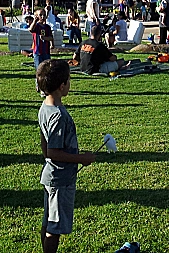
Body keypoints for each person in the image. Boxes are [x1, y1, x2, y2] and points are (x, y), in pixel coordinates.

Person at [36, 59, 95, 253]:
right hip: (59, 180)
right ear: (62, 86)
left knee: (48, 221)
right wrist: (82, 159)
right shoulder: (58, 116)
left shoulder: (45, 107)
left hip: (51, 175)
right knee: (54, 228)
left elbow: (45, 147)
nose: (70, 83)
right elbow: (53, 152)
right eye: (69, 80)